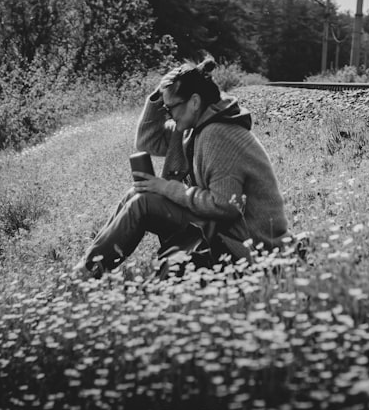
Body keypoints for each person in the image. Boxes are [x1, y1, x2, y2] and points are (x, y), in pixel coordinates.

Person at [78, 58, 288, 276]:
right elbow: (147, 141)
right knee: (137, 193)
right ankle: (86, 268)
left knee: (143, 202)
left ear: (194, 102)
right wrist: (160, 94)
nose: (168, 115)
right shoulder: (192, 128)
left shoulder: (218, 134)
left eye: (171, 108)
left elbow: (224, 206)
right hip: (218, 229)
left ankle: (85, 275)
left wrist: (166, 188)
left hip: (247, 246)